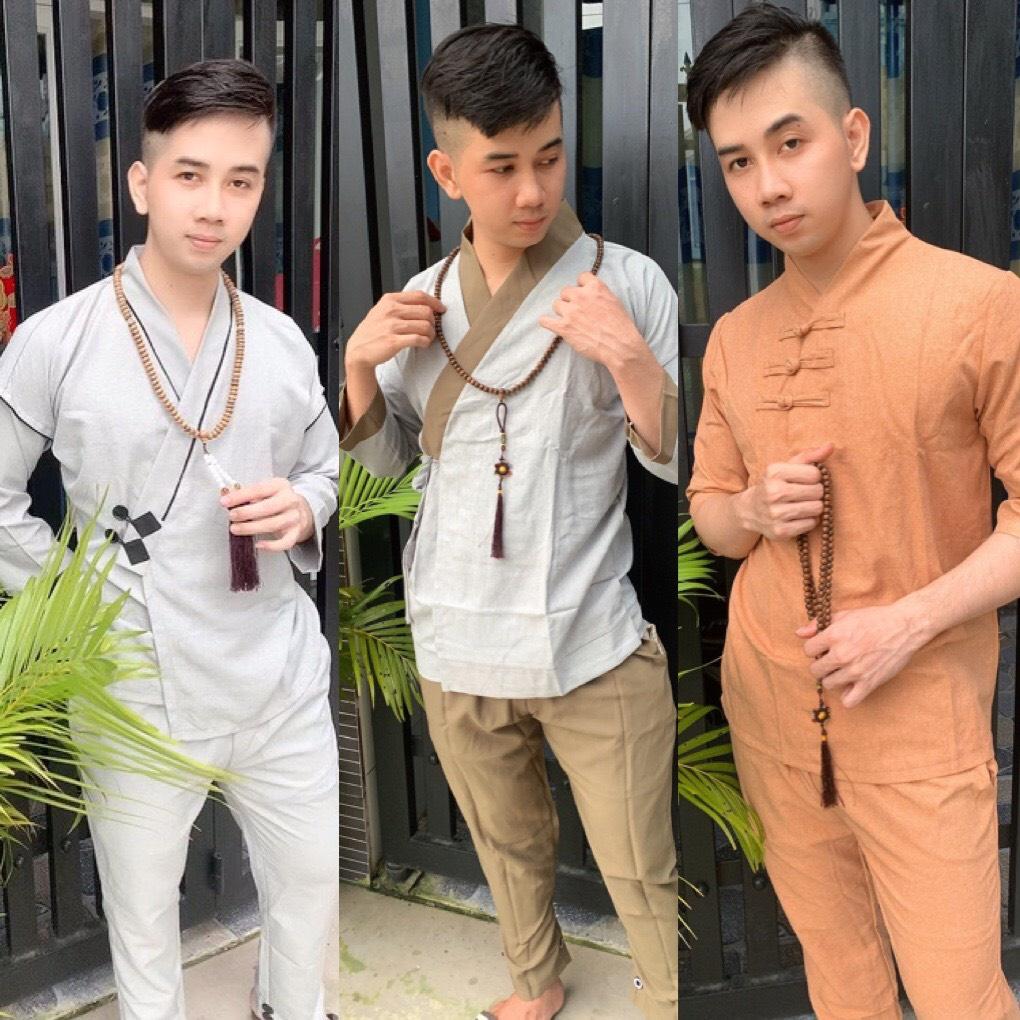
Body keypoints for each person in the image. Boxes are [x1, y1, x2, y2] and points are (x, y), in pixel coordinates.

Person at [685, 5, 1020, 1017]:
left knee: (961, 996)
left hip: (919, 723)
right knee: (841, 981)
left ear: (855, 135)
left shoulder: (978, 304)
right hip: (772, 715)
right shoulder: (735, 338)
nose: (769, 185)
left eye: (790, 143)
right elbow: (710, 516)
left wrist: (907, 624)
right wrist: (753, 506)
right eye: (739, 162)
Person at [340, 23, 678, 1020]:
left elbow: (669, 458)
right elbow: (389, 465)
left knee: (639, 860)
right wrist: (356, 367)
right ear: (448, 172)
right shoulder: (418, 304)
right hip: (455, 633)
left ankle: (666, 997)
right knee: (507, 842)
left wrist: (630, 359)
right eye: (502, 167)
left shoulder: (629, 283)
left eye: (550, 157)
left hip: (588, 634)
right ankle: (535, 981)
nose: (533, 191)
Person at [0, 59, 339, 1020]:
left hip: (276, 673)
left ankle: (292, 1007)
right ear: (143, 183)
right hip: (133, 686)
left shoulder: (280, 340)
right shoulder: (56, 340)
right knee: (144, 916)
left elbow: (323, 467)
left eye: (242, 180)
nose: (215, 206)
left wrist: (303, 507)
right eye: (191, 175)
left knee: (309, 889)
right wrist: (77, 597)